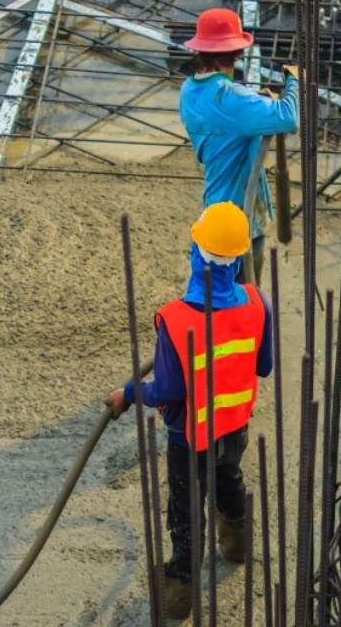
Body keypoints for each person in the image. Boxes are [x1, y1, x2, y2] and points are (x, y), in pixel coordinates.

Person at [105, 202, 273, 619]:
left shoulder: (176, 319)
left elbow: (167, 390)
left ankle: (180, 591)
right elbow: (264, 366)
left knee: (185, 510)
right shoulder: (257, 303)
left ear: (196, 253)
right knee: (228, 478)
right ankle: (237, 545)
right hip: (234, 426)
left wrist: (129, 392)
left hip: (189, 437)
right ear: (238, 258)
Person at [180, 7, 300, 284]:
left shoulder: (188, 90)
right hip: (241, 220)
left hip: (213, 210)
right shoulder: (233, 98)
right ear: (237, 51)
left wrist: (255, 102)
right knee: (245, 297)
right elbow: (288, 117)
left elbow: (223, 116)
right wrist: (294, 80)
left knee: (214, 293)